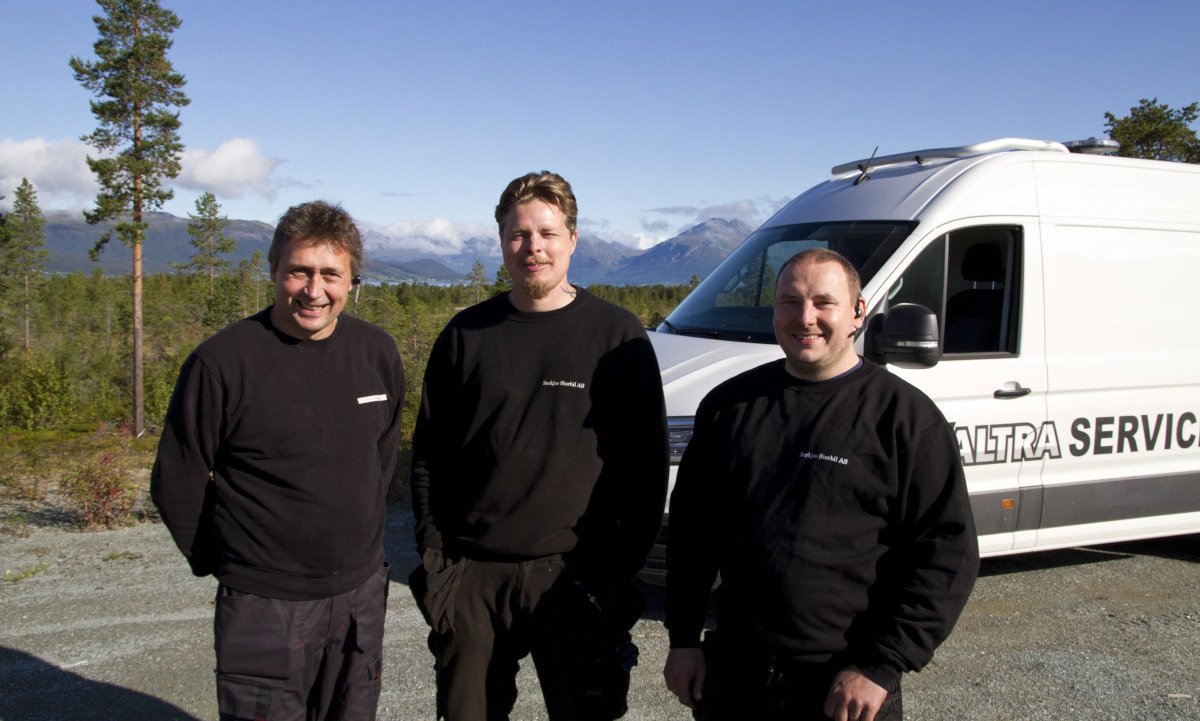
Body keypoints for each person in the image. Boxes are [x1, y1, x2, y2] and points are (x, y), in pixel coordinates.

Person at [663, 248, 979, 721]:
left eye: (823, 303)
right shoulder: (729, 407)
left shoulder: (905, 419)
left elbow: (946, 554)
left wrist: (882, 664)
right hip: (735, 673)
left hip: (843, 683)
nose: (805, 317)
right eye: (790, 302)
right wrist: (684, 639)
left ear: (857, 313)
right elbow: (692, 536)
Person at [410, 171, 669, 721]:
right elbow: (430, 455)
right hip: (473, 575)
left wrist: (615, 573)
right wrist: (438, 564)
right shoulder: (466, 336)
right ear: (501, 240)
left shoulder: (615, 338)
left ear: (573, 240)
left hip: (575, 575)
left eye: (548, 234)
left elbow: (645, 468)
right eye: (519, 235)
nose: (533, 248)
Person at [151, 200, 405, 721]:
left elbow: (381, 460)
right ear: (274, 271)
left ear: (352, 280)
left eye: (331, 274)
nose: (315, 291)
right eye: (299, 272)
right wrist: (227, 562)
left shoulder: (377, 353)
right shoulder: (222, 362)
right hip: (263, 604)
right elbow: (176, 480)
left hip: (359, 594)